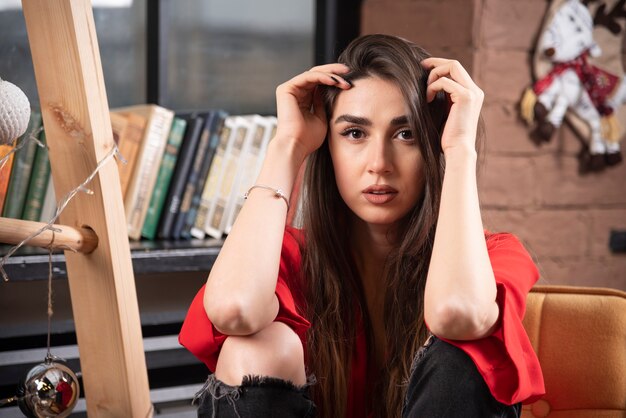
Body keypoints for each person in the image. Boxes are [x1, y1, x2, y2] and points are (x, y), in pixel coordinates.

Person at [179, 34, 545, 418]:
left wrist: (459, 151)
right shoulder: (289, 257)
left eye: (407, 135)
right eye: (355, 133)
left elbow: (457, 313)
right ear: (329, 146)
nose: (379, 163)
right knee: (251, 347)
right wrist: (288, 144)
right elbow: (233, 309)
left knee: (460, 352)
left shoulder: (494, 257)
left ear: (432, 144)